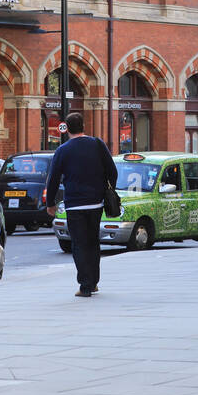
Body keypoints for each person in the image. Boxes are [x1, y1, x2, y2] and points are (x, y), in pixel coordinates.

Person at [45, 111, 117, 298]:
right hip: (96, 203)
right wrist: (106, 190)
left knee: (79, 245)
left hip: (75, 205)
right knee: (93, 243)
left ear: (67, 129)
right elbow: (113, 171)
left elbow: (53, 179)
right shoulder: (97, 144)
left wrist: (50, 203)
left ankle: (85, 285)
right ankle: (93, 283)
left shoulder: (63, 150)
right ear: (83, 126)